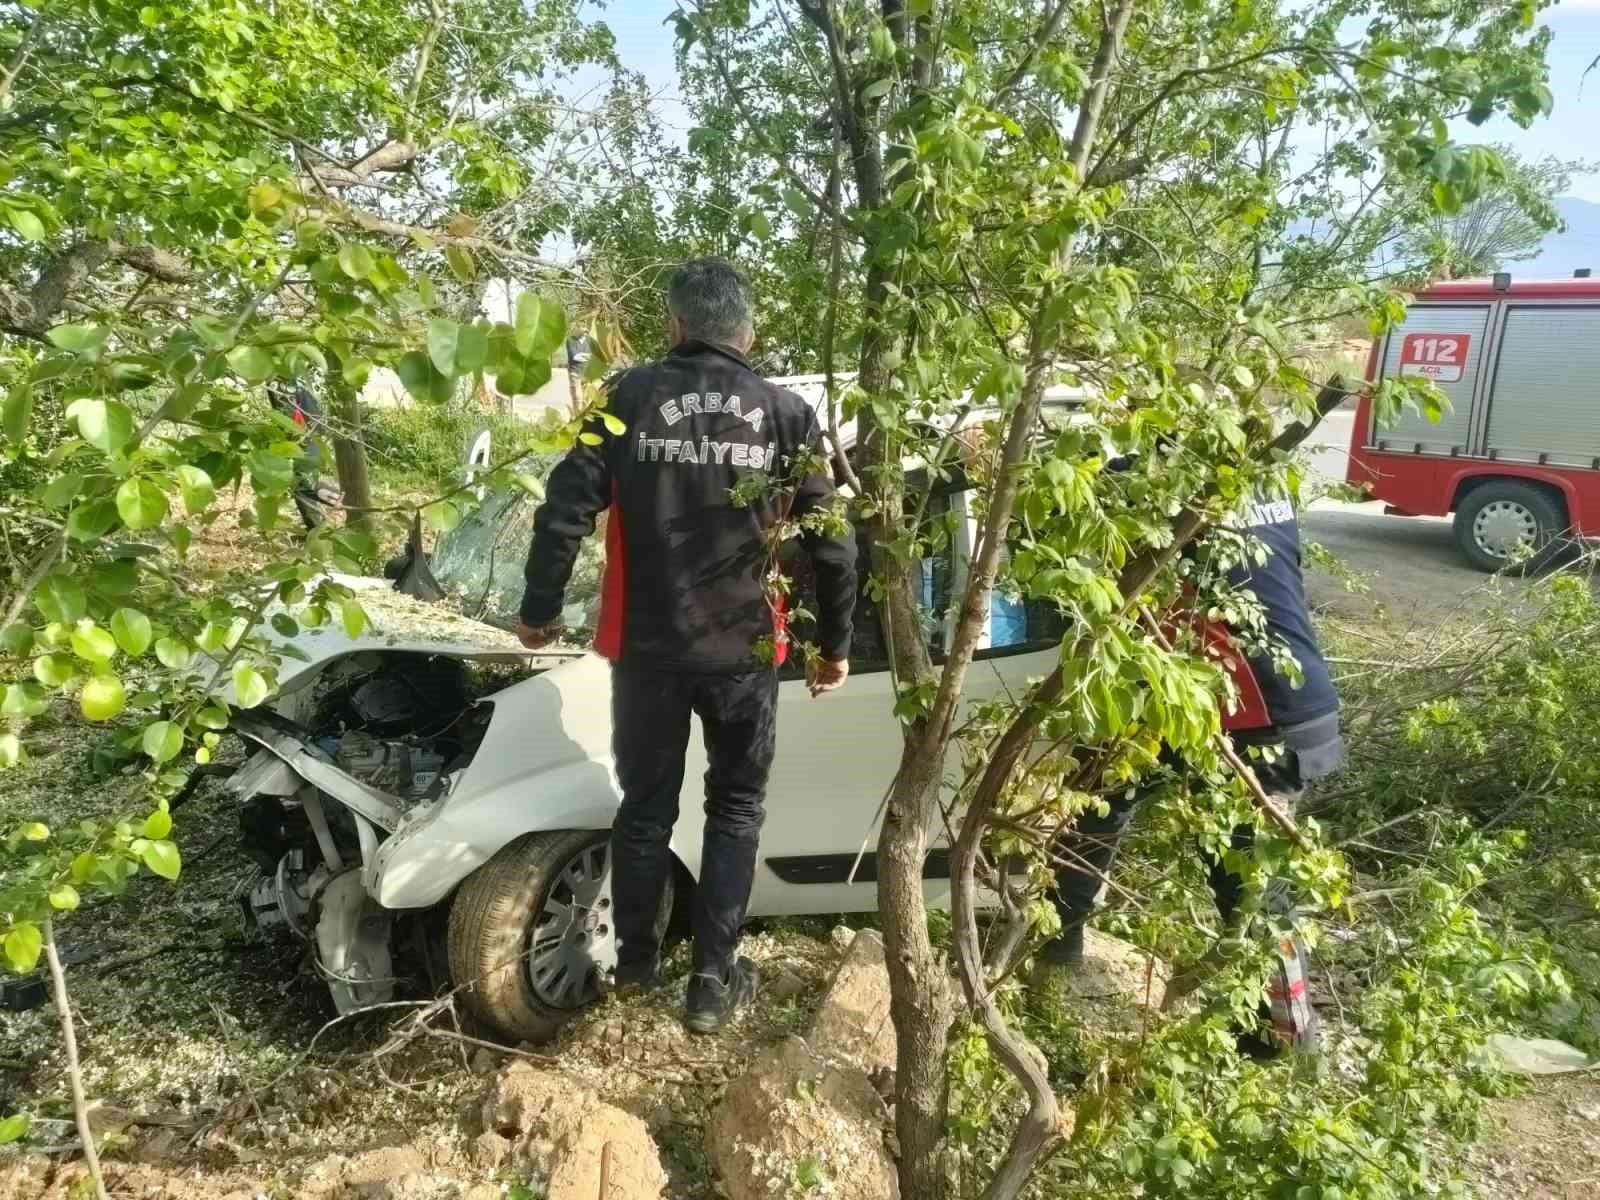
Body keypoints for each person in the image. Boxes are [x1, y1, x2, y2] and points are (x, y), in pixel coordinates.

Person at [515, 259, 858, 1033]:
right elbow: (834, 547)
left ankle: (637, 966)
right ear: (749, 330)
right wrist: (833, 645)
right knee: (736, 807)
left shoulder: (628, 398)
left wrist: (539, 610)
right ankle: (711, 983)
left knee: (645, 808)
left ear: (675, 326)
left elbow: (564, 506)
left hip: (649, 652)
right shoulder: (787, 414)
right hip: (742, 657)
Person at [1038, 488, 1343, 1059]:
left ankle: (1294, 1045)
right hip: (1253, 698)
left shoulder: (1165, 482)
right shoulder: (1264, 480)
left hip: (1255, 713)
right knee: (1106, 789)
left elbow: (1072, 509)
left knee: (1254, 887)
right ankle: (1059, 951)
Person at [266, 381, 340, 531]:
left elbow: (288, 418)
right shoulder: (292, 378)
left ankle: (316, 529)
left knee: (301, 483)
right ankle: (341, 499)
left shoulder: (280, 382)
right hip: (310, 433)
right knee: (305, 482)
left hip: (304, 437)